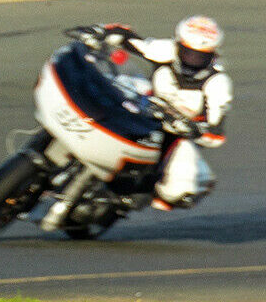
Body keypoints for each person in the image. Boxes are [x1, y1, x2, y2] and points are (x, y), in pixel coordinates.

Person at [97, 16, 230, 210]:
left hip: (180, 133)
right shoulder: (166, 50)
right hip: (147, 106)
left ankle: (148, 191)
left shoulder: (218, 83)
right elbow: (131, 40)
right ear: (179, 45)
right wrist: (102, 32)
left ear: (212, 55)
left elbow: (216, 133)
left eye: (200, 56)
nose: (192, 61)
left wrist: (195, 129)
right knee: (108, 86)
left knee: (180, 190)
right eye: (187, 52)